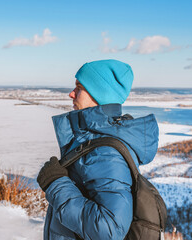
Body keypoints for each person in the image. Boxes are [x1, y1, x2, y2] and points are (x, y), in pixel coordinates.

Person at [37, 59, 159, 240]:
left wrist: (56, 183)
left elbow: (109, 229)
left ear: (99, 93)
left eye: (79, 87)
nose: (71, 93)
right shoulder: (93, 140)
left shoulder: (105, 153)